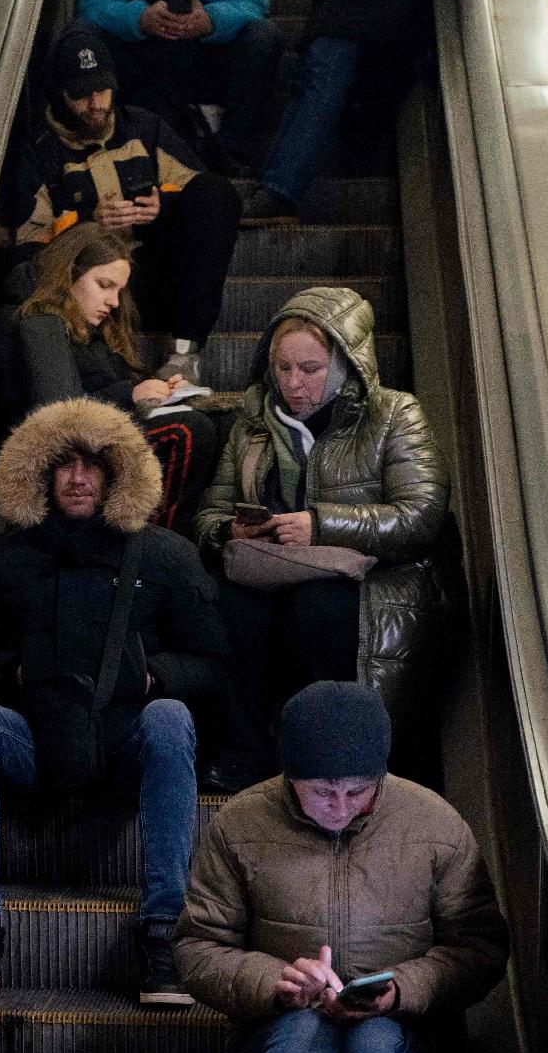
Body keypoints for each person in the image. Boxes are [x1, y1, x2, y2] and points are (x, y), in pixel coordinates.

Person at [175, 682, 508, 1053]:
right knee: (307, 1033)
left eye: (358, 792)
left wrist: (400, 990)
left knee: (371, 1043)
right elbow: (197, 947)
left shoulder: (434, 825)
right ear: (289, 779)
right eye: (323, 793)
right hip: (278, 1033)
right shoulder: (240, 824)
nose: (341, 807)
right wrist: (274, 980)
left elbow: (479, 946)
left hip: (401, 1027)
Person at [0, 398, 227, 1006]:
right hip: (35, 737)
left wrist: (151, 678)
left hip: (124, 740)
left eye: (93, 463)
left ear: (117, 473)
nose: (78, 478)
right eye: (64, 464)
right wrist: (15, 671)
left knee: (170, 717)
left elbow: (214, 664)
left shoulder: (165, 556)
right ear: (39, 472)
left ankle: (164, 928)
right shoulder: (0, 561)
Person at [191, 287, 447, 792]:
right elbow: (209, 514)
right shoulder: (253, 424)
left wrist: (321, 525)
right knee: (225, 607)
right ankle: (248, 753)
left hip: (369, 575)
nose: (293, 383)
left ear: (346, 363)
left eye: (310, 369)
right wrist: (228, 532)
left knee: (319, 611)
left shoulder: (395, 414)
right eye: (283, 368)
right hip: (271, 570)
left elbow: (420, 516)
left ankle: (327, 758)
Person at [1, 22, 242, 387]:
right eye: (81, 95)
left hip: (157, 274)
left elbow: (200, 190)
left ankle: (186, 352)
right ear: (59, 95)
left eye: (102, 90)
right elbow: (28, 248)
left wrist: (161, 207)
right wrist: (88, 225)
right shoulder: (39, 153)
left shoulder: (144, 127)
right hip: (92, 289)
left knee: (218, 192)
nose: (96, 104)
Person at [0, 222, 221, 531]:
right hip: (56, 448)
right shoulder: (38, 321)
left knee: (221, 419)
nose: (114, 302)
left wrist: (157, 389)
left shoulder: (90, 326)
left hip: (95, 428)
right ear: (69, 274)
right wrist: (131, 395)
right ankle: (154, 538)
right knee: (189, 430)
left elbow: (100, 385)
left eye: (119, 290)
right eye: (104, 285)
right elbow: (58, 414)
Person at [239, 0, 440, 222]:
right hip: (362, 16)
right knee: (321, 91)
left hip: (365, 17)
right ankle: (279, 188)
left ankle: (279, 189)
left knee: (321, 91)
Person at [73, 0, 285, 175]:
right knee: (83, 32)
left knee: (263, 35)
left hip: (209, 62)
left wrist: (211, 20)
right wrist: (140, 18)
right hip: (145, 62)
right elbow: (92, 2)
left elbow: (253, 2)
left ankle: (233, 150)